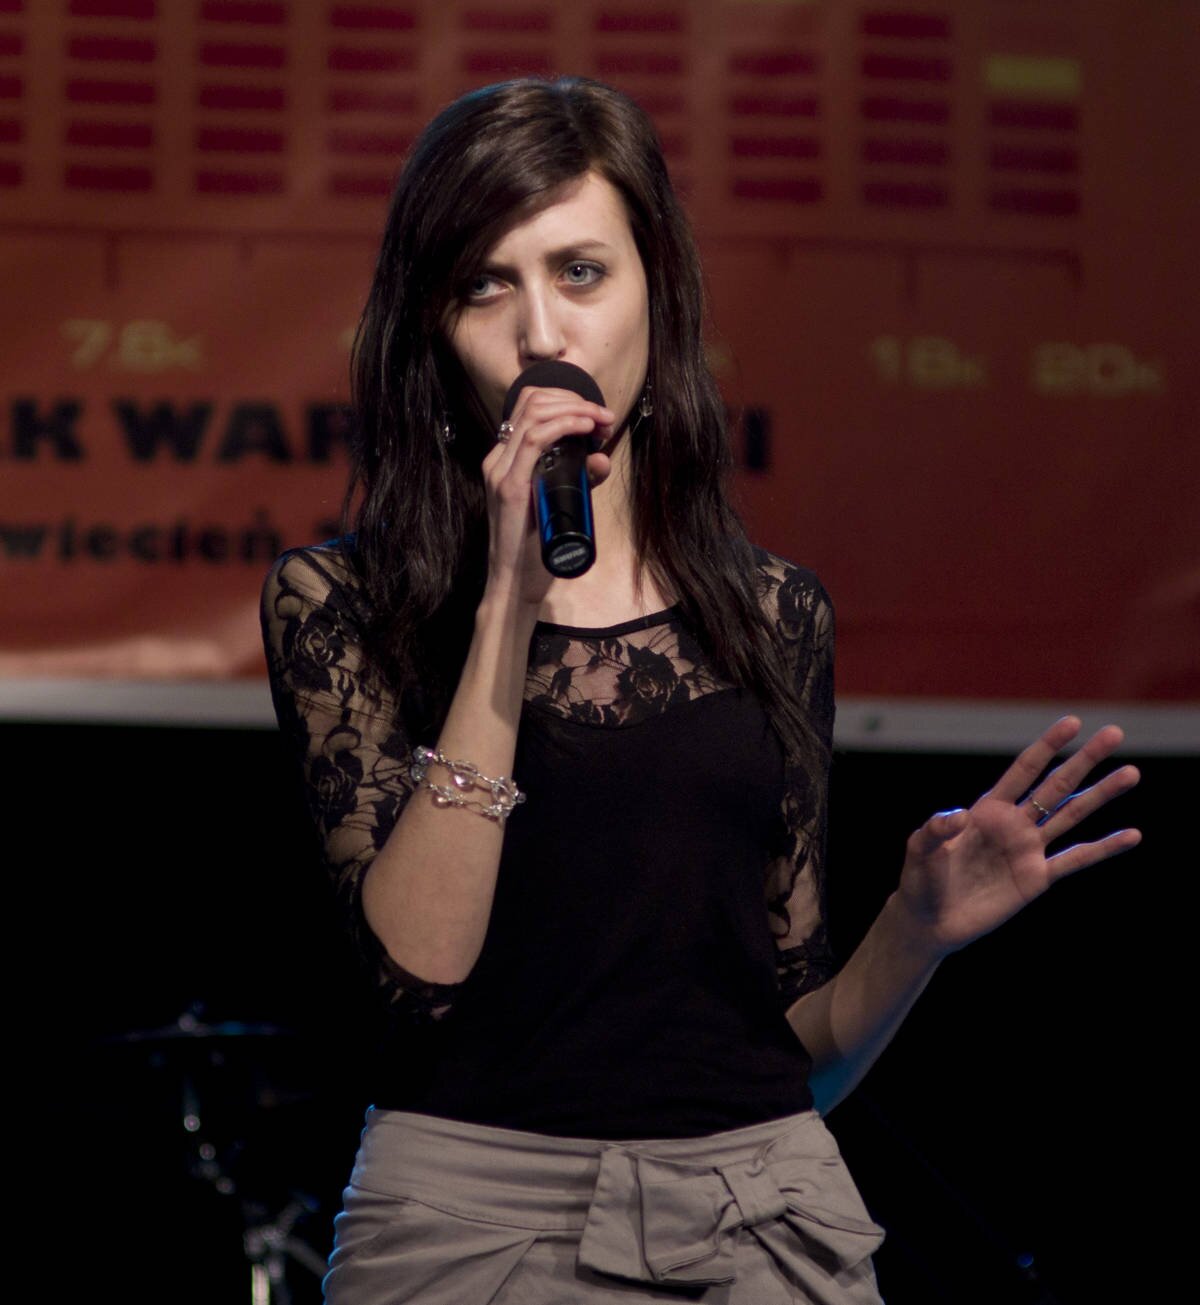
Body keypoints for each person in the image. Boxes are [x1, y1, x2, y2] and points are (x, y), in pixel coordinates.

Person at [261, 77, 1140, 1304]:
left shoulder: (775, 615)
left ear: (655, 289)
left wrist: (915, 932)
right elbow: (422, 968)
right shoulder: (344, 604)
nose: (542, 332)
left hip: (762, 1215)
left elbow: (791, 1062)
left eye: (580, 272)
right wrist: (509, 601)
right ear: (433, 326)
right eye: (485, 286)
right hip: (475, 1223)